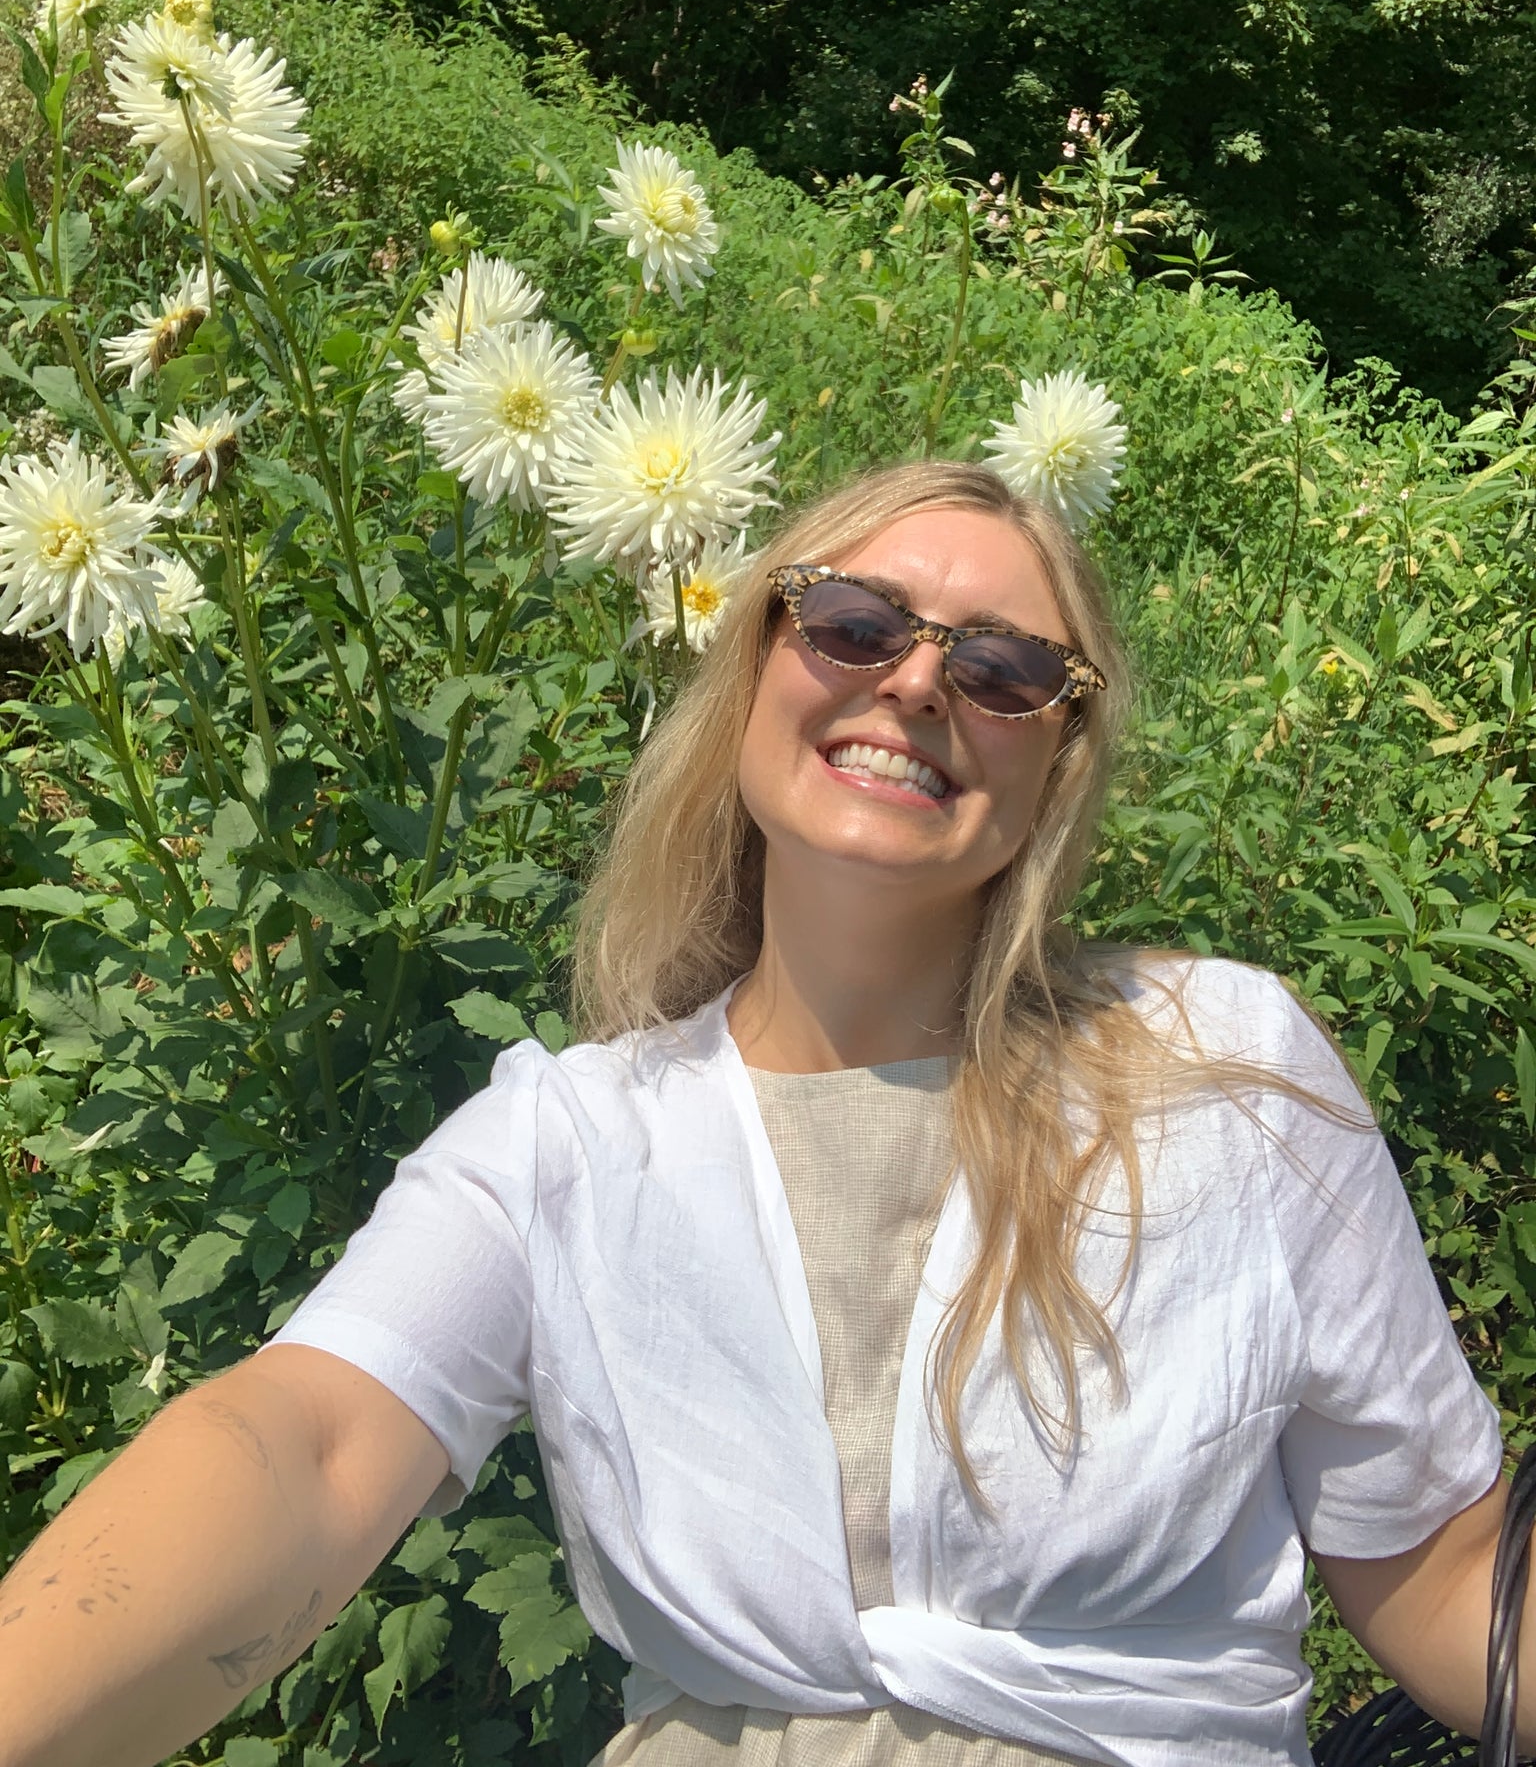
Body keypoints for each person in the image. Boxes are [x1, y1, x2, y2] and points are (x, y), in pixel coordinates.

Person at [0, 460, 1521, 1767]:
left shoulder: (1219, 1067)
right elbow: (310, 1445)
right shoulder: (570, 1142)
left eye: (1000, 670)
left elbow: (1446, 1562)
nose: (916, 681)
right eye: (854, 623)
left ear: (1059, 757)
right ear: (757, 666)